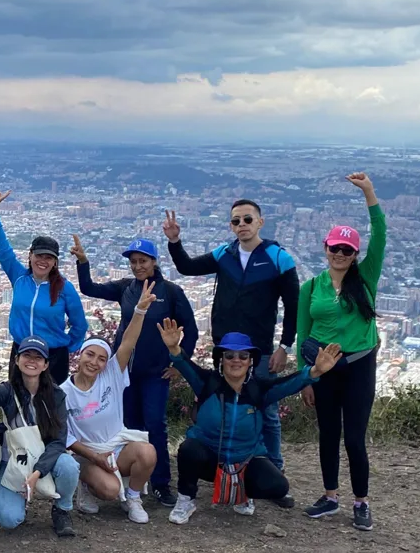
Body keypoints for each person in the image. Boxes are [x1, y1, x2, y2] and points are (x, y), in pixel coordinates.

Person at [163, 198, 300, 505]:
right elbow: (187, 267)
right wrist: (174, 241)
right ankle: (223, 464)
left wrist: (284, 346)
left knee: (266, 409)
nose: (242, 225)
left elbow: (293, 306)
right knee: (217, 403)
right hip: (225, 348)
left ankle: (272, 468)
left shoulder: (278, 258)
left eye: (247, 219)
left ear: (260, 222)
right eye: (236, 221)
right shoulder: (224, 254)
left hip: (258, 348)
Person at [157, 319, 342, 525]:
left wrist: (315, 371)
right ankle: (186, 499)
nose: (236, 360)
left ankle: (243, 493)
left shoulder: (258, 390)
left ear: (250, 361)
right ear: (221, 359)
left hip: (245, 460)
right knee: (189, 449)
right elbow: (185, 364)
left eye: (243, 356)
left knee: (278, 486)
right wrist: (173, 348)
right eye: (229, 355)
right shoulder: (207, 383)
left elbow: (290, 383)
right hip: (209, 458)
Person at [71, 233, 196, 506]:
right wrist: (83, 262)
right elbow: (89, 288)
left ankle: (161, 483)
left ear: (154, 262)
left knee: (155, 425)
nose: (138, 266)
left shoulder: (171, 292)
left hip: (155, 372)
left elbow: (191, 330)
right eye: (134, 262)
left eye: (143, 261)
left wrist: (180, 364)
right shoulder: (125, 288)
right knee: (127, 426)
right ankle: (127, 480)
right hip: (123, 372)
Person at [298, 173, 386, 532]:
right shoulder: (311, 287)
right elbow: (303, 332)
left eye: (347, 250)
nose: (339, 254)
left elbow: (380, 235)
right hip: (323, 366)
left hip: (359, 365)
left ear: (355, 255)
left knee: (354, 438)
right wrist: (307, 377)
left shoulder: (365, 278)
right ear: (325, 248)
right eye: (334, 247)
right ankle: (330, 495)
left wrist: (369, 193)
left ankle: (361, 501)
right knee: (328, 433)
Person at [61, 279, 160, 524]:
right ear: (80, 355)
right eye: (90, 355)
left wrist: (140, 310)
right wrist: (94, 457)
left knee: (147, 452)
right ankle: (87, 484)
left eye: (101, 358)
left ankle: (133, 497)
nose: (94, 362)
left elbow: (128, 342)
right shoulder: (63, 392)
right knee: (110, 490)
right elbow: (66, 437)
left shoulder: (111, 376)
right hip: (87, 454)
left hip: (117, 446)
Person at [0, 325, 78, 538]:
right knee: (8, 519)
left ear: (45, 365)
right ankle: (19, 502)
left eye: (38, 357)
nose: (32, 361)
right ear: (17, 360)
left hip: (45, 456)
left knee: (69, 466)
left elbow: (58, 441)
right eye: (27, 355)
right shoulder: (8, 390)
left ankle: (62, 508)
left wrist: (37, 473)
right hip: (14, 458)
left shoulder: (55, 396)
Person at [0, 191, 87, 384]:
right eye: (39, 255)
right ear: (30, 256)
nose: (43, 261)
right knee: (17, 399)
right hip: (21, 352)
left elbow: (80, 324)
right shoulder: (19, 277)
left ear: (55, 262)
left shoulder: (65, 288)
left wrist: (64, 347)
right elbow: (3, 248)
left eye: (49, 257)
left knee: (50, 402)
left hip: (52, 356)